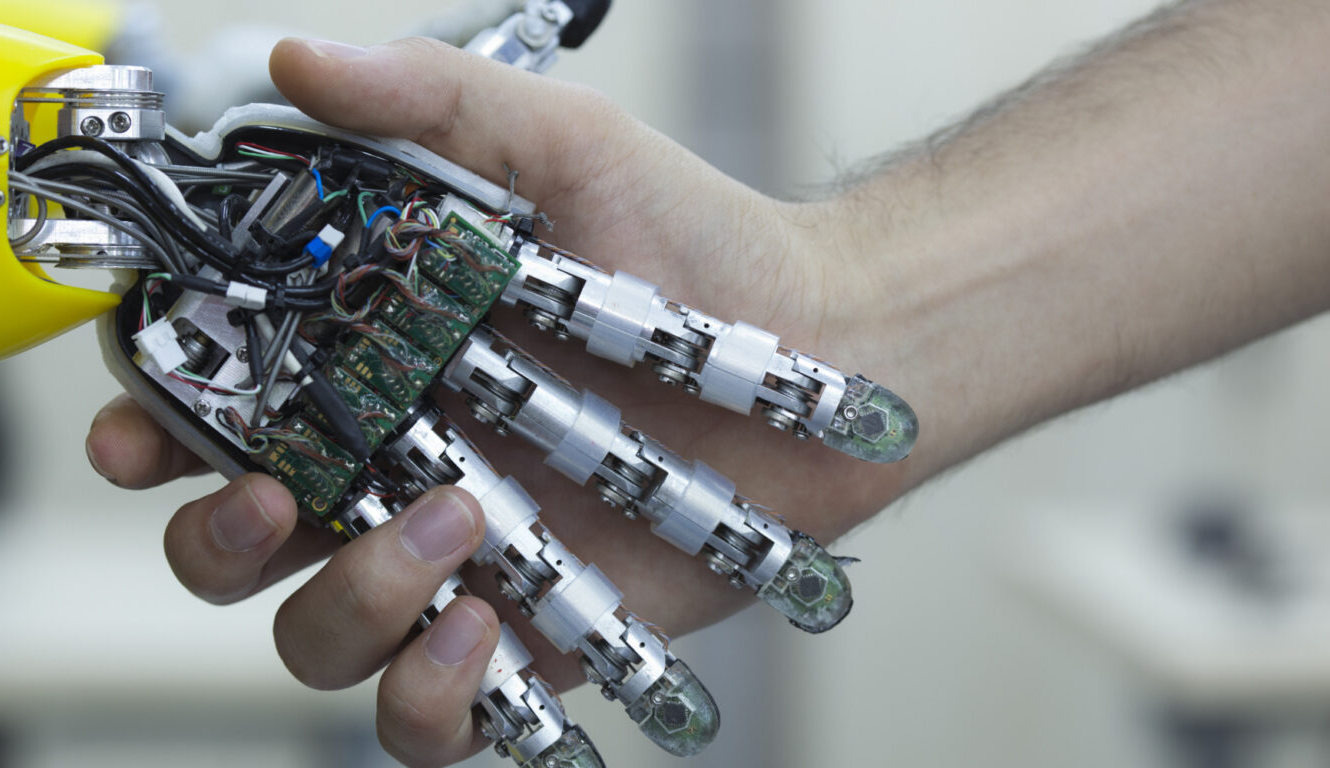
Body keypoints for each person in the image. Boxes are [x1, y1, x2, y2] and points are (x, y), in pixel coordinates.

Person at [84, 1, 1330, 765]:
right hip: (377, 398)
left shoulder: (231, 215)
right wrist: (853, 314)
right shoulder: (163, 315)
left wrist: (853, 310)